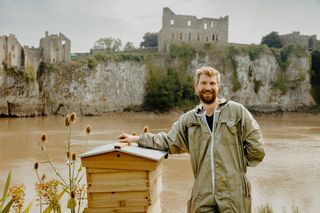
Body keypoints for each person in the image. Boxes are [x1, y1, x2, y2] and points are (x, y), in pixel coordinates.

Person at [118, 66, 265, 213]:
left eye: (212, 83)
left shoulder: (236, 111)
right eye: (204, 83)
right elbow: (168, 142)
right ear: (196, 87)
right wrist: (137, 139)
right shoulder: (189, 119)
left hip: (234, 193)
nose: (208, 87)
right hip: (203, 193)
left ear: (218, 87)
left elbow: (257, 147)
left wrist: (236, 167)